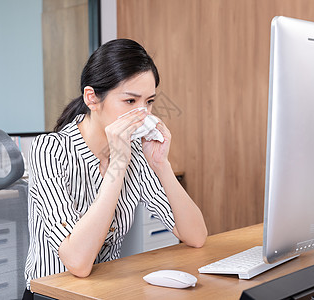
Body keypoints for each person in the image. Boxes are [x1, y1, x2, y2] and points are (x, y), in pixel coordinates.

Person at [23, 38, 207, 299]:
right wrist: (118, 165)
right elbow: (77, 262)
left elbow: (196, 236)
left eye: (149, 102)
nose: (143, 114)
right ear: (92, 98)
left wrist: (161, 165)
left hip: (104, 292)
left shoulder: (136, 153)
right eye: (130, 102)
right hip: (53, 294)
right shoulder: (49, 150)